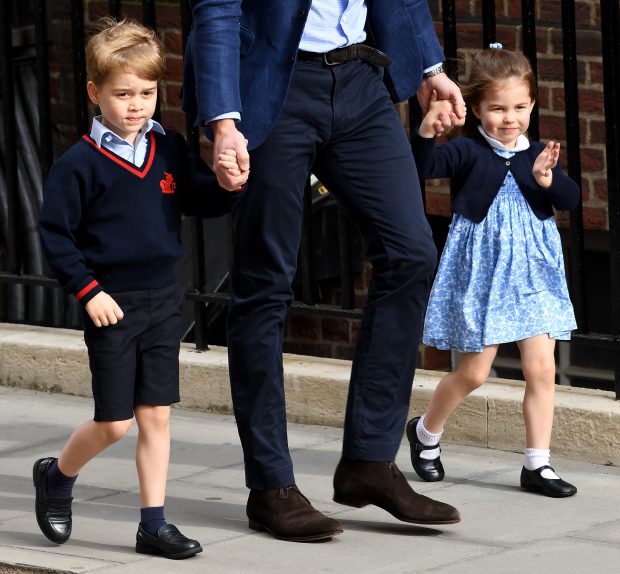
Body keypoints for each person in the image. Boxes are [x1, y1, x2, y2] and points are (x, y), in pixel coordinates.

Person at [183, 1, 467, 541]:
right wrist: (222, 121)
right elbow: (217, 9)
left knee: (410, 255)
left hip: (361, 82)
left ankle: (369, 461)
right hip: (273, 85)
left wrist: (428, 67)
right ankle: (271, 486)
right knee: (265, 285)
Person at [34, 18, 232, 559]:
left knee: (156, 416)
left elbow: (198, 200)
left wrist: (230, 186)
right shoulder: (78, 166)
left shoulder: (167, 147)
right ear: (96, 93)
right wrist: (89, 290)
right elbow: (56, 236)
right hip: (111, 305)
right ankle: (57, 475)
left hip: (164, 300)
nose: (137, 104)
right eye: (123, 94)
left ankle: (153, 524)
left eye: (147, 93)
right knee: (115, 423)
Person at [406, 47, 580, 498]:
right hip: (484, 273)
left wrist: (548, 180)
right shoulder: (465, 150)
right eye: (498, 108)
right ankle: (425, 433)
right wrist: (426, 131)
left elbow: (569, 199)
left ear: (532, 106)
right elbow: (421, 169)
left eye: (520, 107)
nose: (510, 118)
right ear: (477, 108)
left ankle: (537, 465)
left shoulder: (539, 153)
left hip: (533, 274)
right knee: (474, 373)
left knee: (541, 369)